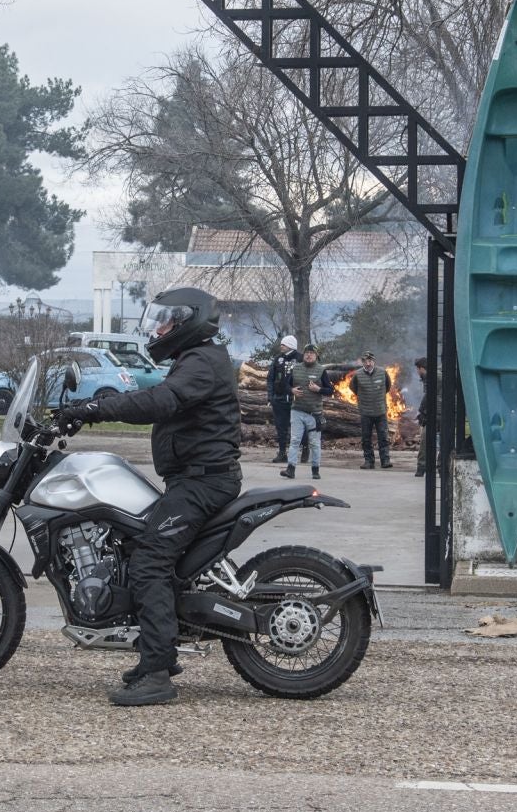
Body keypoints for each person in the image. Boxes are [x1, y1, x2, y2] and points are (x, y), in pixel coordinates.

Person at [58, 287, 240, 708]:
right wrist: (104, 401)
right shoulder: (196, 359)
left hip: (203, 483)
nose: (160, 328)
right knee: (139, 544)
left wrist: (96, 411)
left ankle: (158, 673)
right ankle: (152, 656)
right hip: (192, 479)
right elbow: (159, 397)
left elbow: (162, 400)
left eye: (168, 320)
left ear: (190, 321)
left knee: (149, 561)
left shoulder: (202, 362)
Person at [279, 343, 326, 481]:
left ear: (316, 355)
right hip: (297, 410)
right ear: (303, 355)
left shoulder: (321, 370)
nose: (309, 355)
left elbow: (330, 390)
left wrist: (319, 389)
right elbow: (284, 385)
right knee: (294, 440)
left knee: (315, 443)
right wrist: (292, 390)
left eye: (311, 353)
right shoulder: (296, 368)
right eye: (306, 353)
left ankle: (315, 470)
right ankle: (290, 469)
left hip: (314, 413)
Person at [352, 351, 393, 469]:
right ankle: (368, 461)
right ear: (362, 362)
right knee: (366, 438)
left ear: (373, 361)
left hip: (380, 411)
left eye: (370, 361)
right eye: (365, 361)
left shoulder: (382, 372)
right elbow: (353, 388)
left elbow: (388, 386)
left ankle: (385, 460)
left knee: (383, 437)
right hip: (365, 412)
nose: (368, 363)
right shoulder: (357, 374)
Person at [265, 334, 300, 464]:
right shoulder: (277, 359)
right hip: (279, 399)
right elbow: (270, 379)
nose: (281, 346)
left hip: (296, 399)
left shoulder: (300, 358)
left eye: (283, 344)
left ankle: (304, 448)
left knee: (298, 427)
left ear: (290, 345)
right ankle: (282, 453)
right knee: (281, 427)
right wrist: (271, 396)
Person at [413, 356, 435, 477]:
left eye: (418, 369)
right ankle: (442, 468)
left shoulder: (429, 377)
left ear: (422, 368)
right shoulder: (434, 375)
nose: (417, 372)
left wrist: (421, 411)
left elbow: (428, 396)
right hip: (438, 414)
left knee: (425, 441)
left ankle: (421, 468)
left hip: (434, 415)